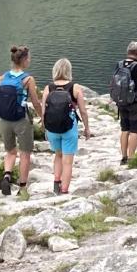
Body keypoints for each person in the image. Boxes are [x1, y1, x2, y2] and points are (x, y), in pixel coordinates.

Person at [0, 46, 40, 195]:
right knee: (25, 153)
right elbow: (36, 102)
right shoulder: (28, 79)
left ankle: (7, 175)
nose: (30, 60)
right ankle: (22, 187)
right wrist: (43, 117)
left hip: (4, 119)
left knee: (10, 151)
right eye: (29, 58)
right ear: (24, 60)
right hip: (21, 120)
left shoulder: (4, 77)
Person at [42, 59, 88, 195]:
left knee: (57, 155)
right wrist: (87, 128)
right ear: (69, 71)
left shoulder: (48, 88)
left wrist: (45, 127)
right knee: (67, 161)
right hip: (69, 128)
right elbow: (83, 111)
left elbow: (44, 111)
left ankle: (56, 182)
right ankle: (64, 190)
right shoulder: (75, 87)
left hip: (52, 129)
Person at [111, 43, 137, 162]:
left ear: (128, 51)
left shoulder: (119, 64)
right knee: (135, 130)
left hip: (121, 101)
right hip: (135, 101)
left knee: (125, 129)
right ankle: (131, 158)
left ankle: (123, 157)